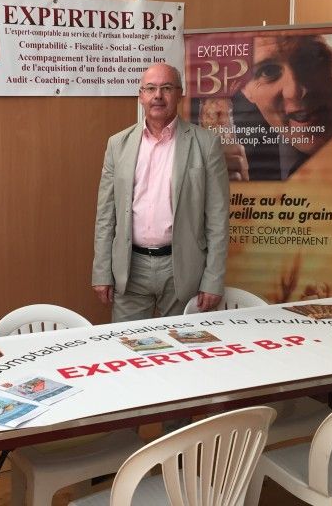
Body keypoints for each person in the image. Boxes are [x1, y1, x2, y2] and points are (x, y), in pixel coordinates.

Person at [92, 63, 230, 318]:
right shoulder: (117, 145)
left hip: (183, 267)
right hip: (130, 267)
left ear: (179, 94)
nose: (158, 95)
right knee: (128, 347)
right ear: (140, 95)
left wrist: (213, 278)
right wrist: (101, 271)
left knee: (182, 350)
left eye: (166, 88)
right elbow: (105, 215)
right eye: (151, 88)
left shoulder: (206, 144)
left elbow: (218, 219)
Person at [230, 34, 332, 180]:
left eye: (310, 59)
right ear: (244, 89)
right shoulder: (243, 166)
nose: (294, 92)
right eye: (268, 71)